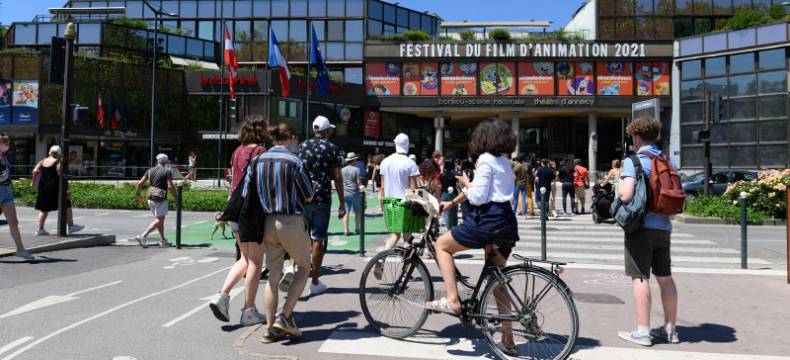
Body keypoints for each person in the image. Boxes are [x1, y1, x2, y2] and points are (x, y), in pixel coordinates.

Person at [428, 118, 519, 352]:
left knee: (441, 245)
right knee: (497, 283)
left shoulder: (486, 159)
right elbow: (491, 192)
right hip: (506, 222)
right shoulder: (504, 162)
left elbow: (478, 197)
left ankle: (452, 300)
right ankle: (508, 339)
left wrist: (466, 182)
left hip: (487, 220)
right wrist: (456, 199)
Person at [617, 116, 679, 346]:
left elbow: (626, 195)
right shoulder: (667, 160)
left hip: (641, 228)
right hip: (664, 226)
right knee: (665, 277)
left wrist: (619, 187)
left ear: (637, 137)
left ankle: (643, 331)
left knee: (640, 277)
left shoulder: (634, 160)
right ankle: (671, 330)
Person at [251, 123, 315, 343]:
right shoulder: (294, 161)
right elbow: (308, 195)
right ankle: (285, 316)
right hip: (290, 220)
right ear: (289, 138)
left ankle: (269, 330)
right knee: (304, 266)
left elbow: (250, 190)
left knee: (273, 276)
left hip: (267, 222)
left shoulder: (258, 160)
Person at [208, 115, 268, 325]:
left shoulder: (236, 151)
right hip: (251, 212)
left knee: (244, 258)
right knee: (255, 261)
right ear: (261, 131)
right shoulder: (260, 151)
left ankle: (222, 295)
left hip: (233, 208)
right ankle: (248, 310)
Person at [297, 115, 345, 296]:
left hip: (302, 198)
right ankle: (314, 282)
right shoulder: (332, 148)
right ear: (325, 131)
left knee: (300, 237)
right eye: (329, 129)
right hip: (322, 199)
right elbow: (338, 176)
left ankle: (293, 270)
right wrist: (342, 202)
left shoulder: (302, 146)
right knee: (318, 239)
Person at [379, 133, 420, 249]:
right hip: (405, 202)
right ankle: (408, 264)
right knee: (407, 237)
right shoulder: (410, 163)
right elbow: (413, 188)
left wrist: (382, 203)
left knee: (395, 235)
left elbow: (382, 186)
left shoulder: (385, 161)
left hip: (390, 202)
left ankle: (381, 258)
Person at [32, 145, 84, 236]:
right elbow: (62, 177)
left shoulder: (43, 161)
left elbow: (35, 170)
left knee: (44, 208)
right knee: (66, 204)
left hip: (43, 186)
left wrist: (36, 181)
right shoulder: (58, 162)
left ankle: (40, 230)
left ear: (49, 152)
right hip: (55, 187)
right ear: (59, 154)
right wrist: (67, 189)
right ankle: (71, 226)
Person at [0, 134, 34, 260]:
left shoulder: (4, 157)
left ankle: (20, 249)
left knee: (13, 222)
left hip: (7, 190)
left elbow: (5, 174)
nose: (6, 144)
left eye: (7, 142)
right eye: (3, 142)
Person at [134, 153, 177, 248]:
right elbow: (170, 187)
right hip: (160, 198)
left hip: (150, 197)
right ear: (166, 162)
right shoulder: (167, 171)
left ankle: (163, 240)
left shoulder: (150, 170)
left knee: (159, 220)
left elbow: (140, 183)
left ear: (157, 161)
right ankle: (143, 236)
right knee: (159, 220)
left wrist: (137, 195)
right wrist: (176, 197)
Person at [341, 152, 362, 236]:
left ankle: (346, 230)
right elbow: (358, 182)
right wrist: (361, 187)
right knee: (358, 212)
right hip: (354, 192)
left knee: (346, 212)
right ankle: (357, 228)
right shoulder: (356, 170)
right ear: (353, 160)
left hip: (345, 192)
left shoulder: (342, 170)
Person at [439, 158, 459, 230]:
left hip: (444, 193)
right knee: (454, 211)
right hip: (454, 193)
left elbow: (440, 184)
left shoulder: (442, 174)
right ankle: (455, 227)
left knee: (447, 212)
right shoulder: (455, 174)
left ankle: (449, 229)